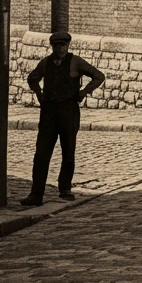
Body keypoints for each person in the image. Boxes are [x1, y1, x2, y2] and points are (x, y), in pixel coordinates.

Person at [20, 31, 105, 206]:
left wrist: (83, 93)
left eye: (62, 46)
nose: (59, 49)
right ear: (52, 47)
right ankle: (36, 194)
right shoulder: (45, 63)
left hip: (69, 112)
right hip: (49, 113)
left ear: (67, 46)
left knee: (68, 151)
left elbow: (98, 76)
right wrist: (39, 94)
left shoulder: (76, 62)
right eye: (56, 46)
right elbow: (32, 79)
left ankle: (65, 188)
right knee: (41, 153)